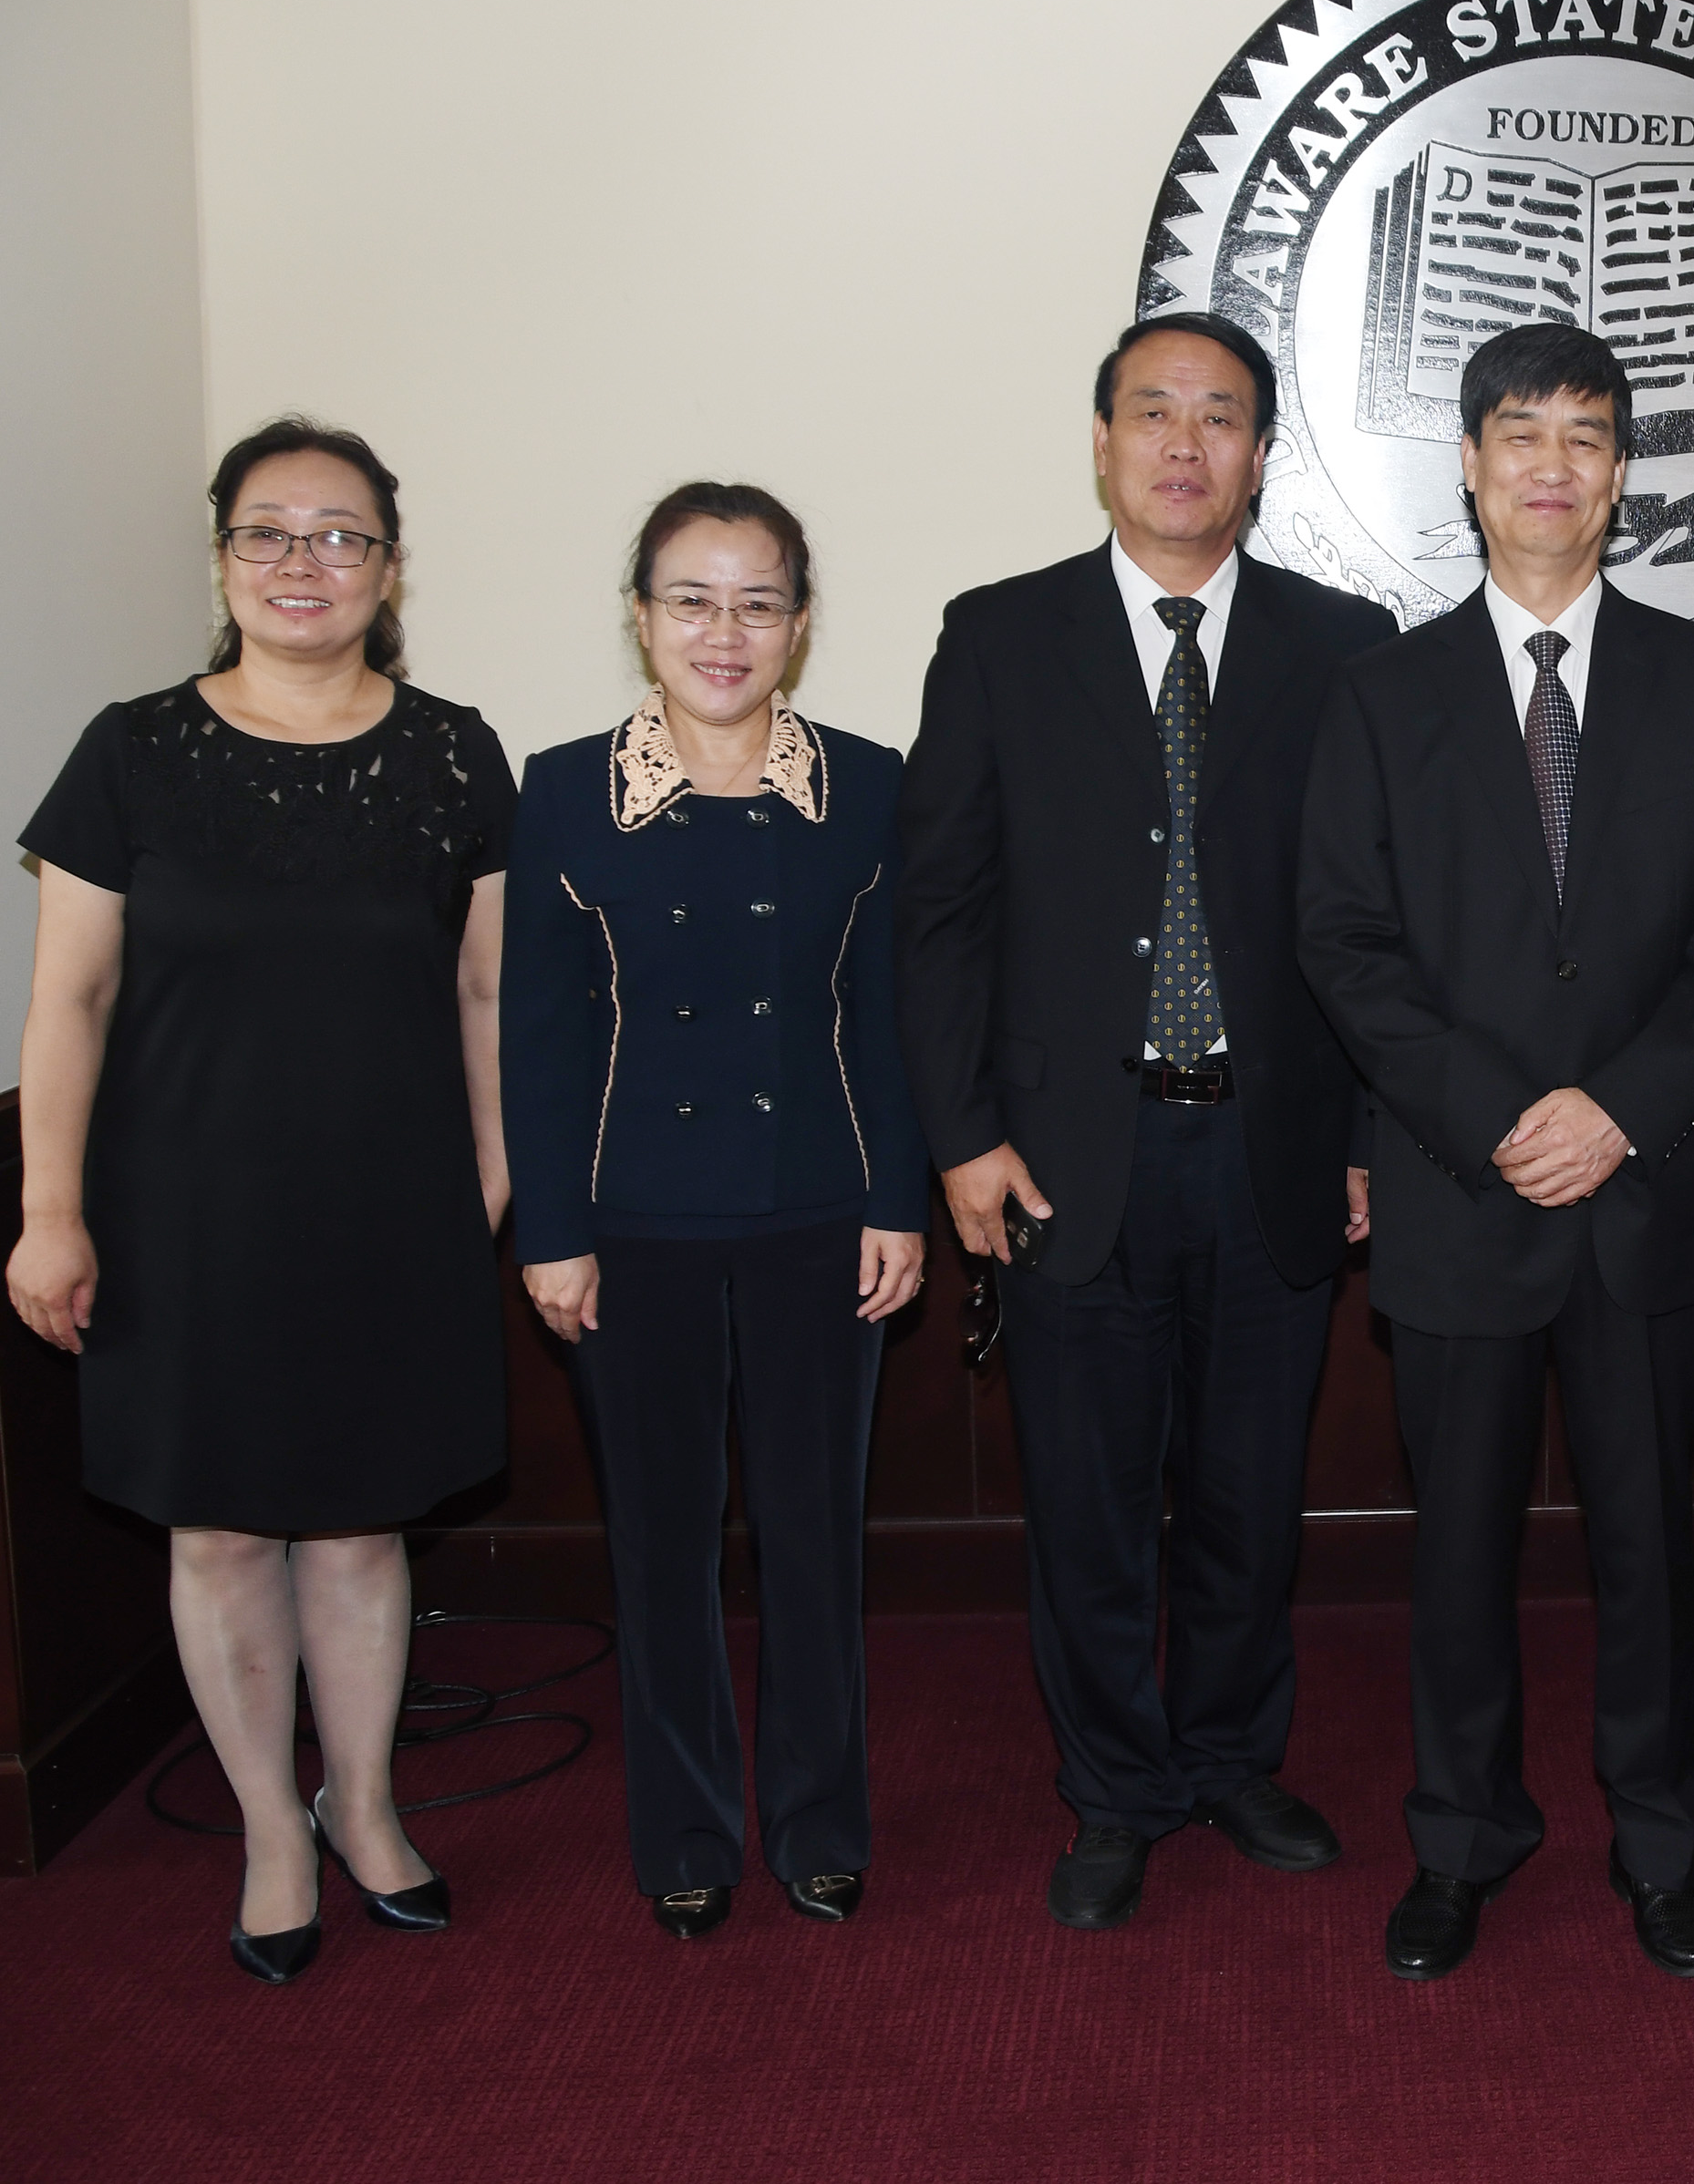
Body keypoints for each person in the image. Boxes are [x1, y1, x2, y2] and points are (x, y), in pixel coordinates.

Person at [1298, 322, 1694, 1983]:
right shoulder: (1379, 697)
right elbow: (1346, 941)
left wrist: (1616, 1110)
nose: (1553, 467)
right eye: (1522, 434)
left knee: (1650, 1544)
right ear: (1468, 461)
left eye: (1587, 435)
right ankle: (1462, 1837)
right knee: (1457, 1554)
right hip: (1461, 1192)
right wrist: (1497, 1119)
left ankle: (1661, 1842)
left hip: (1649, 1193)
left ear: (1623, 471)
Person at [897, 315, 1393, 1931]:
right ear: (1102, 441)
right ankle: (1113, 1788)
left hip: (1275, 1144)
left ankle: (1233, 1758)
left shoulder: (1344, 643)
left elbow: (1375, 922)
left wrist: (1373, 1134)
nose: (1187, 444)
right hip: (1063, 1157)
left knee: (1253, 1496)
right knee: (1092, 1505)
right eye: (1155, 413)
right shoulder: (999, 637)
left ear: (1262, 454)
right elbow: (944, 910)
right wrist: (961, 1135)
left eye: (1224, 418)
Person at [6, 418, 512, 1983]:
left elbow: (489, 994)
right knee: (221, 1532)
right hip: (180, 1213)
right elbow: (71, 1002)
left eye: (341, 533)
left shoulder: (451, 752)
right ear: (224, 559)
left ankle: (364, 1810)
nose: (306, 562)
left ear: (388, 564)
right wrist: (48, 1208)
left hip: (392, 1199)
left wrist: (499, 1174)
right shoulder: (130, 751)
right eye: (269, 532)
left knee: (361, 1528)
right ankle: (271, 1836)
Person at [502, 482, 927, 1940]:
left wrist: (898, 1197)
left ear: (800, 625)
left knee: (817, 1542)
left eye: (757, 601)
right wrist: (548, 1227)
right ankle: (685, 1827)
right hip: (634, 1230)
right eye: (692, 597)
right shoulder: (562, 788)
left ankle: (818, 1821)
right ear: (640, 616)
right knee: (662, 1545)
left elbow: (888, 1022)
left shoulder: (870, 784)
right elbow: (542, 1037)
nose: (723, 630)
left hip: (822, 1218)